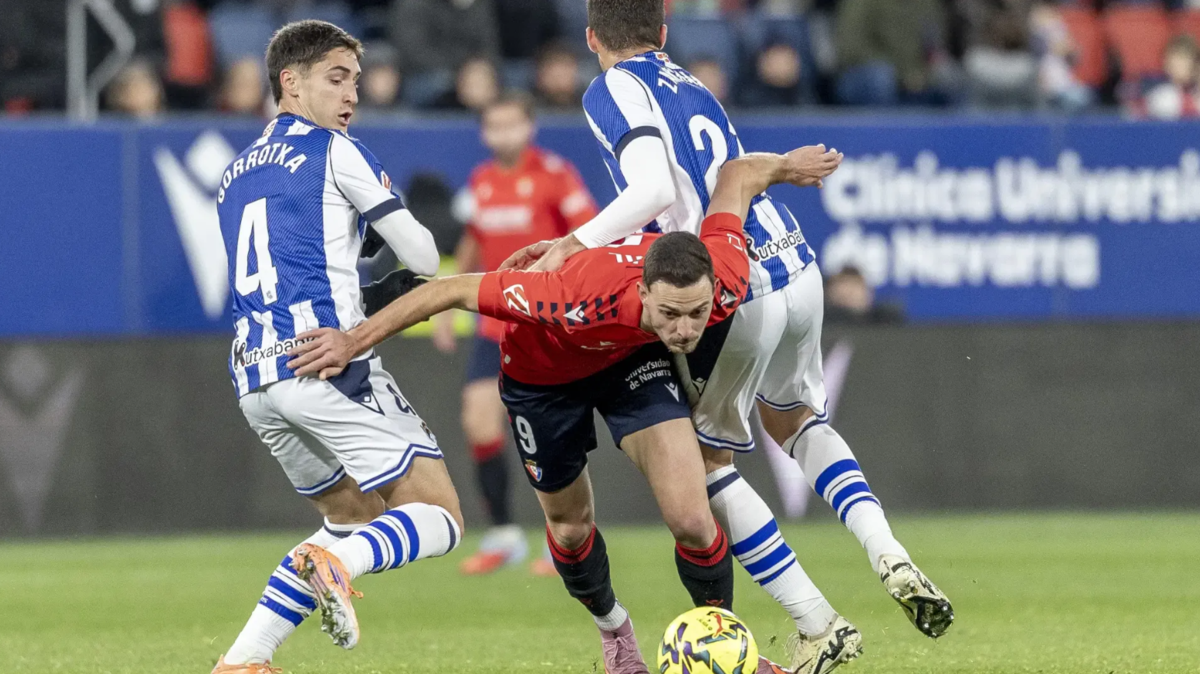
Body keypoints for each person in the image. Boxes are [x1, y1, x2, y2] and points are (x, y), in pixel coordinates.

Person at [288, 149, 841, 674]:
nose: (685, 330)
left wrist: (791, 166)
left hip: (631, 365)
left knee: (694, 519)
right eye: (671, 314)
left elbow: (736, 177)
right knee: (571, 529)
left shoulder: (723, 276)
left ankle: (722, 648)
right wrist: (351, 341)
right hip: (543, 381)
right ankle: (616, 633)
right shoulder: (571, 295)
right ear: (644, 292)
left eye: (696, 313)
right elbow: (449, 291)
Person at [519, 2, 953, 671]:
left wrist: (573, 244)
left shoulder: (610, 86)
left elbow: (652, 188)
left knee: (708, 461)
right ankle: (884, 549)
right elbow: (730, 169)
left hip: (728, 277)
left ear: (591, 38)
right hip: (791, 256)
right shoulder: (688, 80)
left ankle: (816, 621)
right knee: (800, 420)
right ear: (663, 33)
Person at [210, 20, 464, 674]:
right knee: (439, 514)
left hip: (252, 378)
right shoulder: (334, 149)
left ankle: (245, 660)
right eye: (336, 77)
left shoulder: (233, 175)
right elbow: (423, 256)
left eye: (354, 77)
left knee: (349, 515)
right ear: (289, 83)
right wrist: (375, 287)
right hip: (326, 361)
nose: (353, 92)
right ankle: (337, 566)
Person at [434, 93, 599, 576]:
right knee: (479, 422)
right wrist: (446, 306)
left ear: (530, 126)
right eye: (494, 127)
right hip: (494, 324)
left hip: (546, 323)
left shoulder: (555, 174)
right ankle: (505, 537)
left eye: (512, 125)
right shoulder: (482, 182)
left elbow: (589, 235)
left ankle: (569, 538)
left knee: (556, 433)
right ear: (484, 133)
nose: (503, 134)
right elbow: (474, 243)